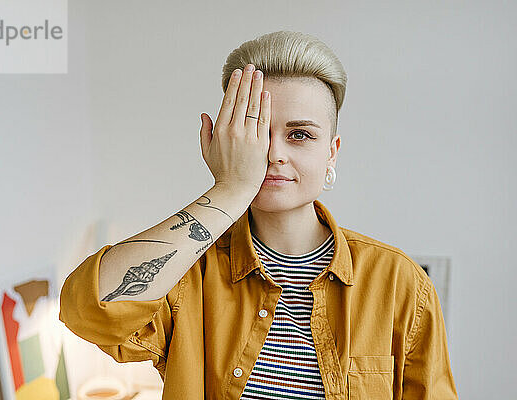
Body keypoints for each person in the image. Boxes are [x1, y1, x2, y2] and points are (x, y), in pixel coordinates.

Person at [59, 31, 458, 399]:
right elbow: (90, 311)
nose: (275, 153)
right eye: (257, 131)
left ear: (332, 151)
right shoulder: (189, 277)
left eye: (300, 134)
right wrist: (230, 189)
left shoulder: (400, 282)